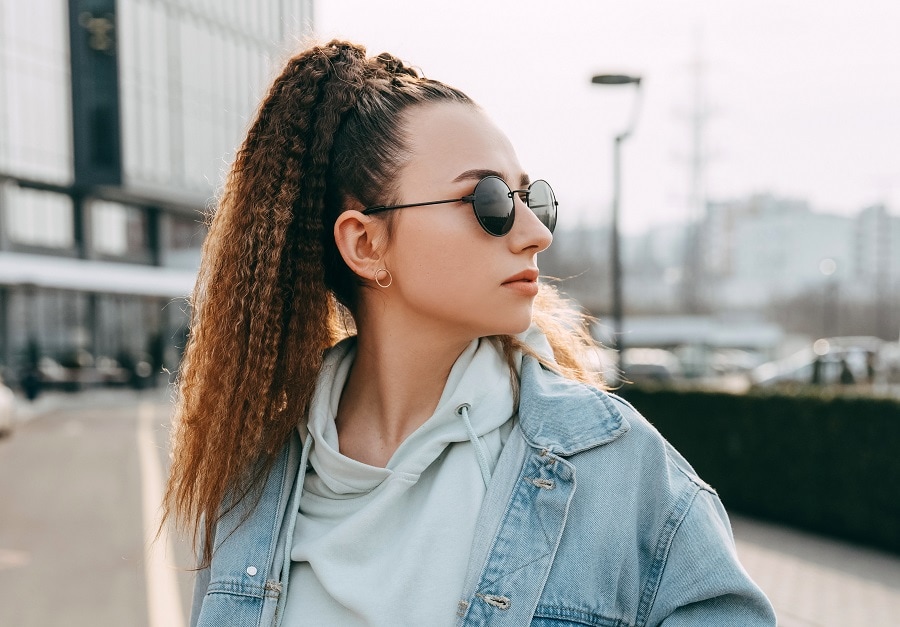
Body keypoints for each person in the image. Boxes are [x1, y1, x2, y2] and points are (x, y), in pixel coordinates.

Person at [163, 40, 775, 626]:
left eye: (532, 197)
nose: (536, 230)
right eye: (488, 200)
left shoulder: (615, 467)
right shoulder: (253, 475)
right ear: (366, 243)